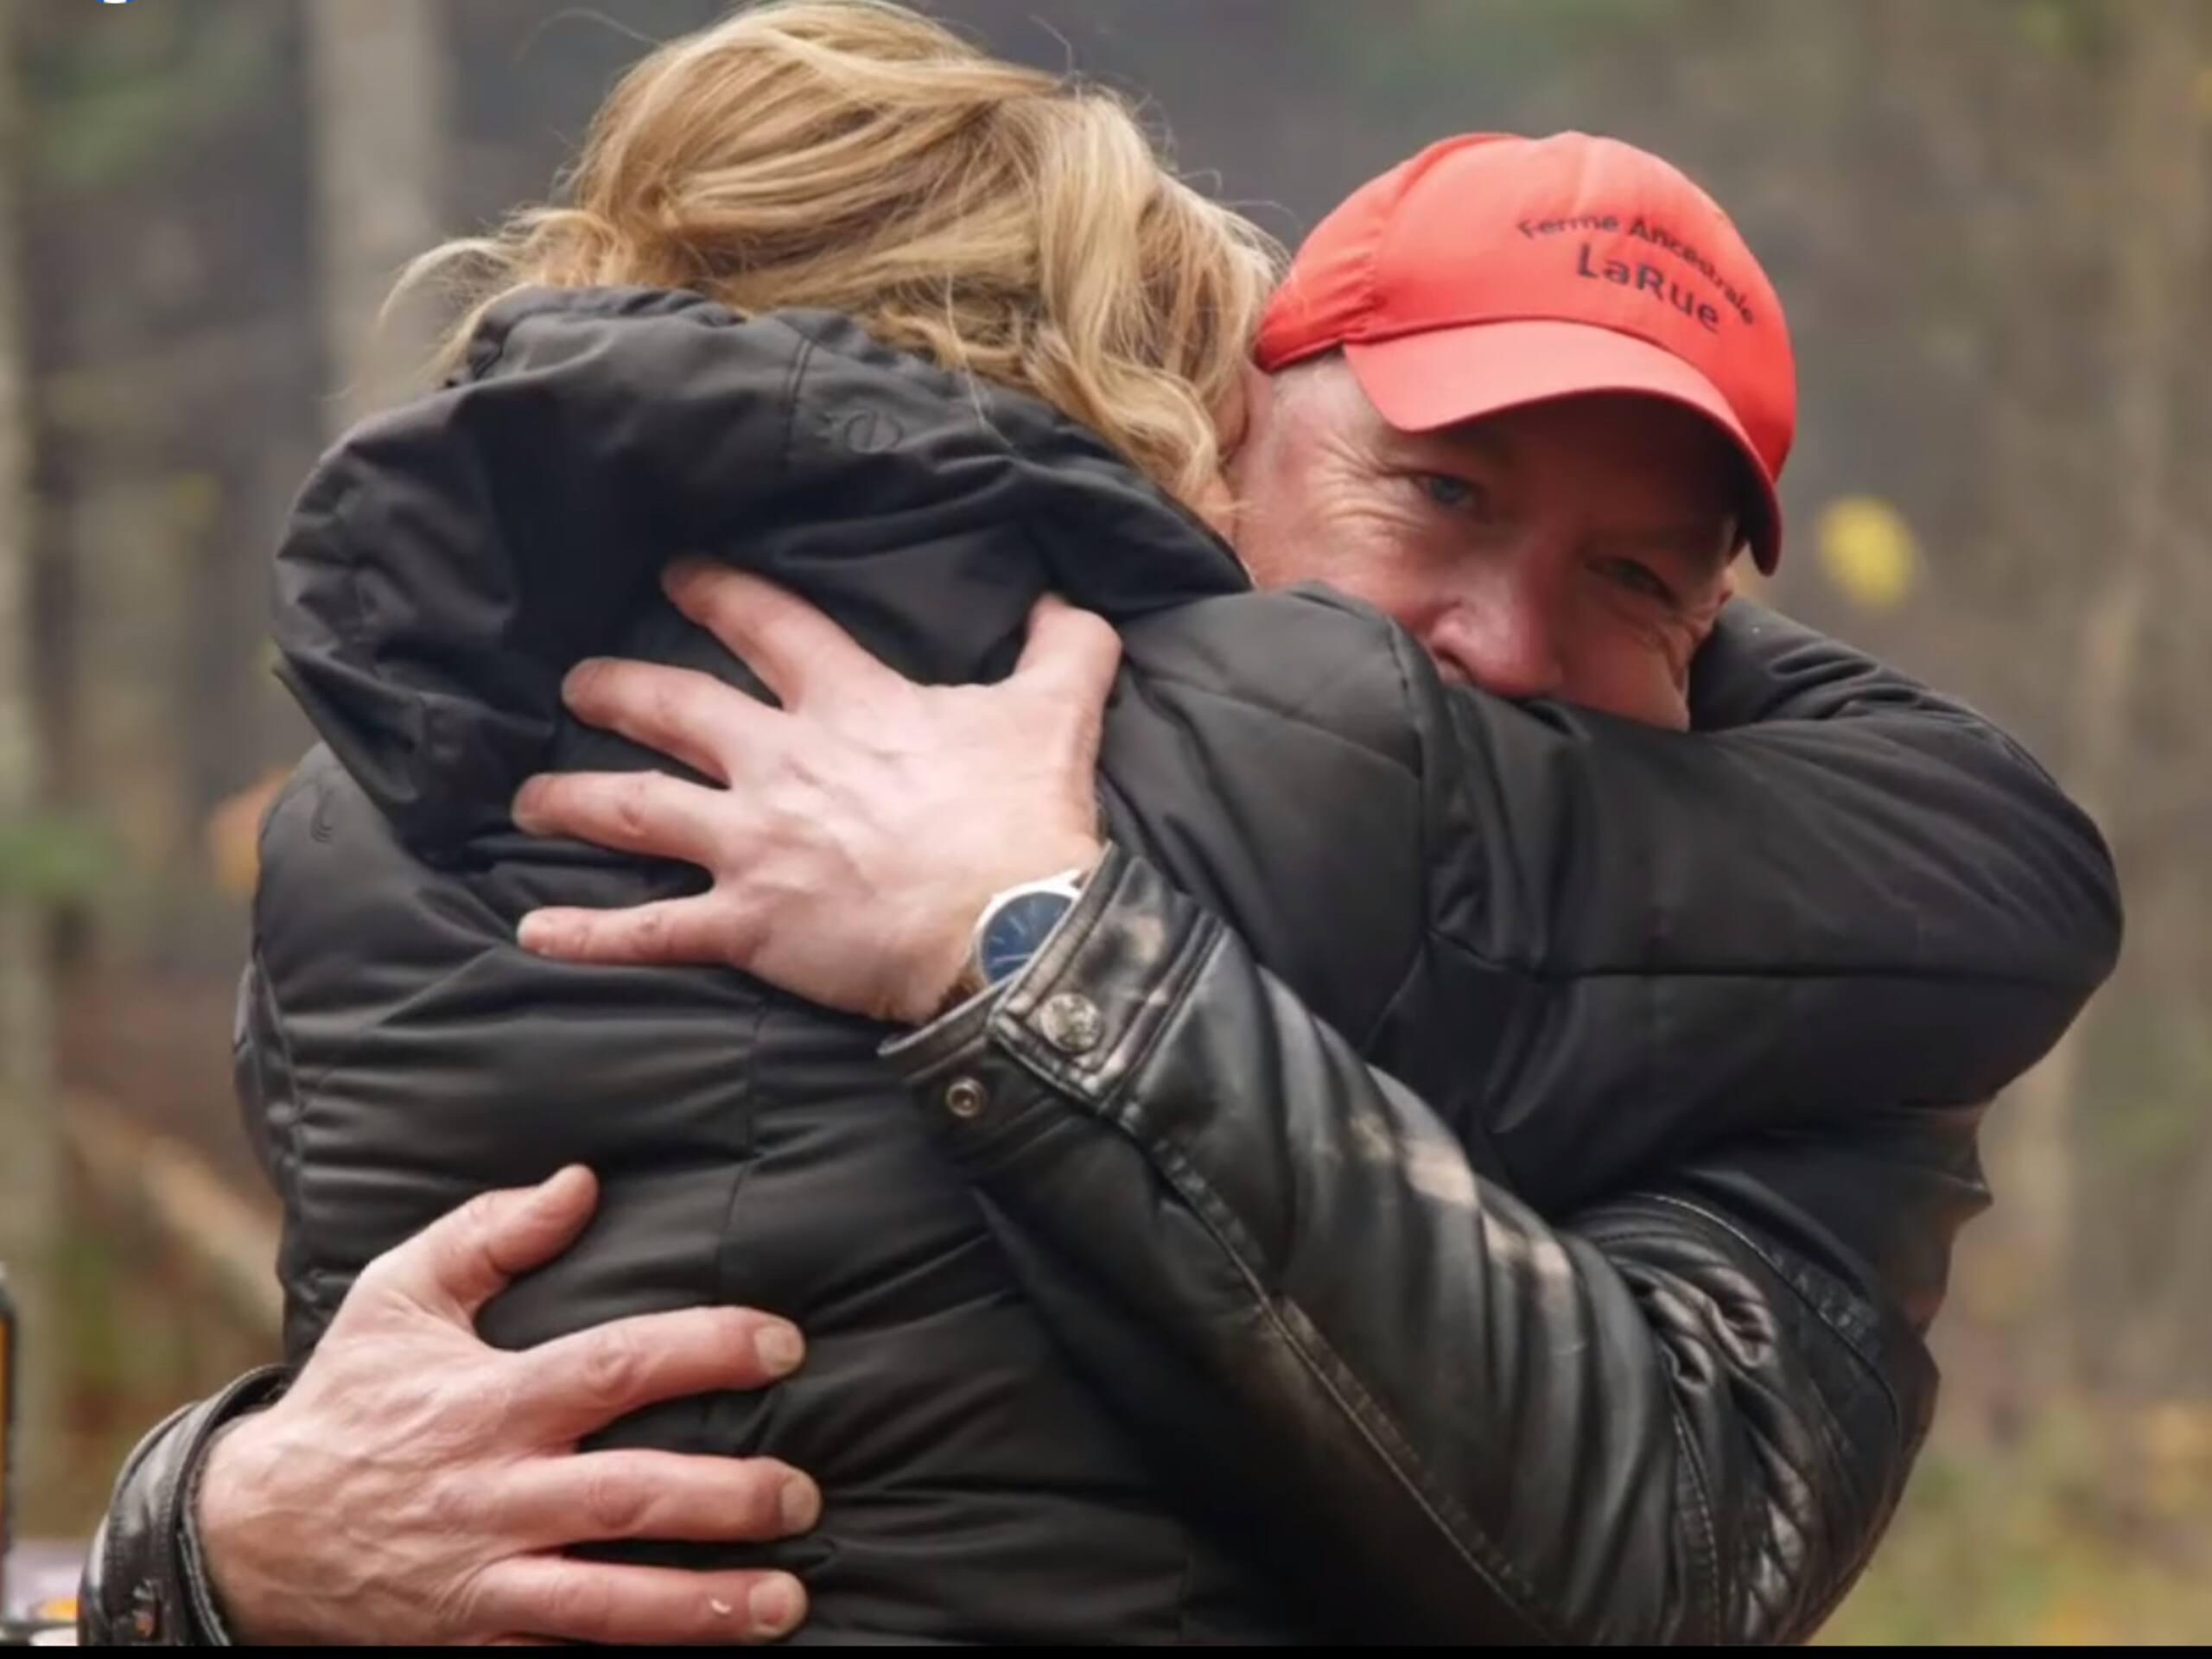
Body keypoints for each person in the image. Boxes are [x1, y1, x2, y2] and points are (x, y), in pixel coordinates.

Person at [80, 3, 2119, 1647]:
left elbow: (1665, 1562)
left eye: (1636, 581)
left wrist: (1036, 947)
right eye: (1441, 497)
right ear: (1228, 432)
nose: (1490, 650)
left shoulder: (1807, 1003)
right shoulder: (1263, 741)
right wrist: (221, 1538)